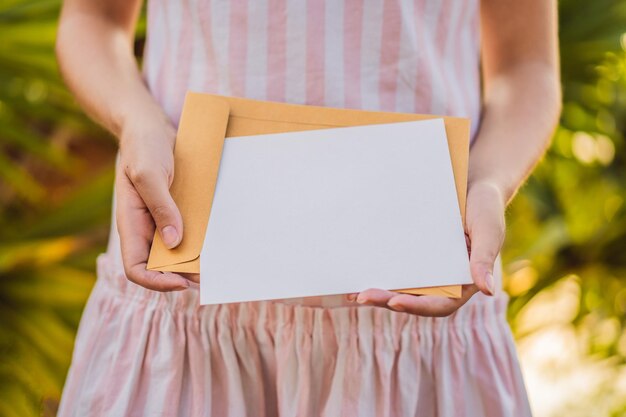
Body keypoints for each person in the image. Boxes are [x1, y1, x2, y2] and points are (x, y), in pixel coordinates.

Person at [55, 0, 560, 416]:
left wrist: (490, 182)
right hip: (183, 310)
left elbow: (527, 67)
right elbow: (91, 20)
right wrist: (136, 120)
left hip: (414, 329)